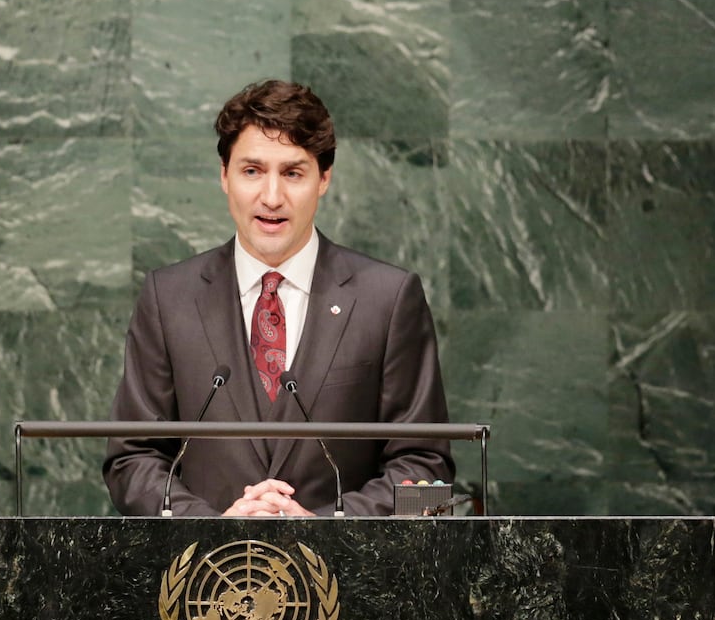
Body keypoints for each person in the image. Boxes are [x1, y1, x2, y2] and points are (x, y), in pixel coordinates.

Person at [103, 79, 453, 517]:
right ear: (224, 176)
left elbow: (428, 472)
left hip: (347, 577)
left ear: (324, 179)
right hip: (205, 578)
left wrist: (328, 529)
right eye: (252, 171)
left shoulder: (390, 298)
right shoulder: (168, 297)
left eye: (292, 173)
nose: (272, 197)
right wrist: (212, 526)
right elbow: (130, 460)